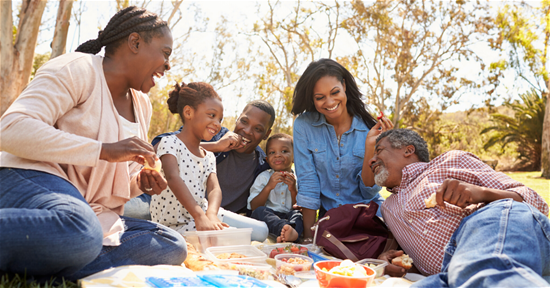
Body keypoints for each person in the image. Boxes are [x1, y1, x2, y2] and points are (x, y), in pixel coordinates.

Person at [0, 6, 186, 281]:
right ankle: (65, 250)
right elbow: (11, 129)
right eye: (166, 53)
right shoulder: (78, 68)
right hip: (29, 178)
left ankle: (49, 258)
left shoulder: (141, 104)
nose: (169, 64)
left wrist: (139, 182)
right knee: (81, 230)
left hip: (81, 208)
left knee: (170, 244)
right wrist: (105, 150)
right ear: (135, 42)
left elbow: (108, 180)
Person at [369, 129, 549, 286]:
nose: (371, 161)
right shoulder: (388, 208)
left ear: (408, 150)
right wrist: (393, 262)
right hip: (453, 273)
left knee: (487, 272)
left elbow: (536, 203)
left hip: (492, 225)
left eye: (379, 151)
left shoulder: (451, 160)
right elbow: (426, 257)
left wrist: (481, 193)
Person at [150, 82, 269, 242]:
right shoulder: (170, 143)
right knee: (228, 240)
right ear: (188, 112)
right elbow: (173, 178)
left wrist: (211, 215)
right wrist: (200, 216)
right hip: (174, 223)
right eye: (212, 115)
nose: (218, 124)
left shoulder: (208, 156)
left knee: (246, 236)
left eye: (220, 119)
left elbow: (214, 188)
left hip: (202, 215)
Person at [291, 58, 393, 241]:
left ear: (344, 86)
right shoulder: (303, 126)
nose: (329, 102)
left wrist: (371, 147)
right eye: (320, 97)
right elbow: (308, 183)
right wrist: (308, 237)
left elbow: (368, 192)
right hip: (330, 222)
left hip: (369, 218)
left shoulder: (371, 129)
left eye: (334, 92)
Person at [248, 133, 303, 243]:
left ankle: (287, 232)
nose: (277, 155)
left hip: (289, 216)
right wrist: (268, 187)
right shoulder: (264, 177)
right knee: (259, 212)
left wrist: (293, 190)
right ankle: (285, 230)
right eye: (272, 152)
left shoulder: (299, 178)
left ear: (294, 157)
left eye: (284, 151)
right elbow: (254, 206)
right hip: (270, 216)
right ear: (267, 159)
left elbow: (298, 207)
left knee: (299, 215)